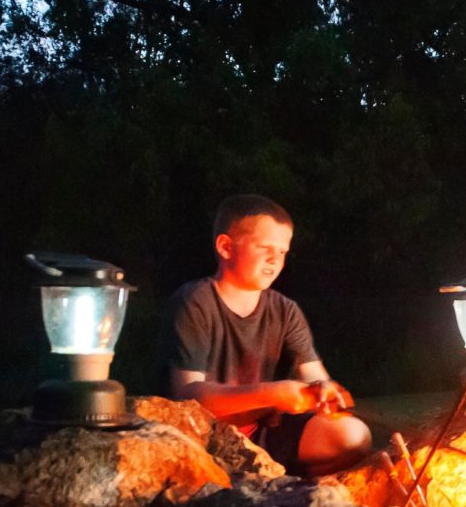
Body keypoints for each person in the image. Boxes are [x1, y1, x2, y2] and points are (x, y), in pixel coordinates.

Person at [158, 194, 373, 476]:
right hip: (200, 438)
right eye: (264, 248)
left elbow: (316, 377)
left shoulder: (285, 311)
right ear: (225, 247)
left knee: (353, 436)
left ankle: (291, 492)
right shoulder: (195, 303)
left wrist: (324, 391)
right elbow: (188, 396)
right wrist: (273, 394)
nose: (275, 259)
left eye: (283, 251)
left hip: (263, 435)